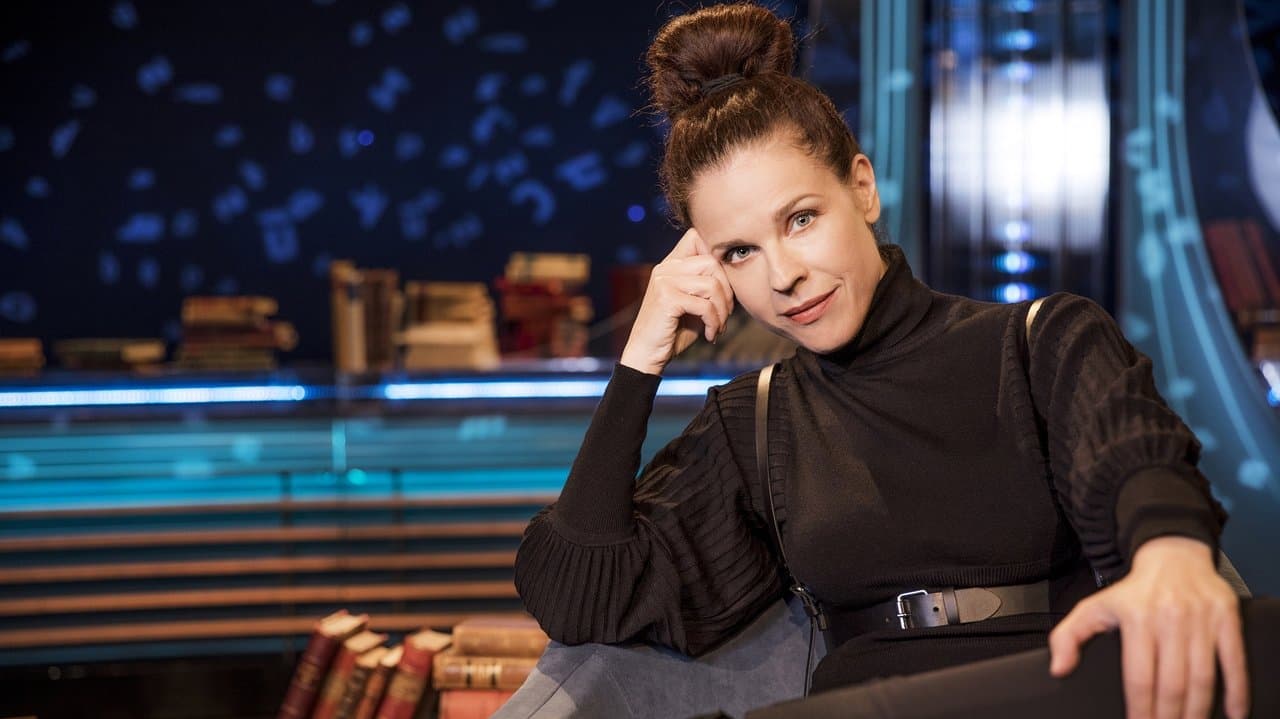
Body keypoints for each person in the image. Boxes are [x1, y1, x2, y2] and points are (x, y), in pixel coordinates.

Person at [513, 3, 1262, 718]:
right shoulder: (758, 423)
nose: (783, 275)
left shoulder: (1038, 341)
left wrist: (1170, 554)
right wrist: (640, 359)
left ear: (862, 189)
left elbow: (1135, 462)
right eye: (740, 251)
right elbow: (581, 599)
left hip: (1046, 689)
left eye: (800, 219)